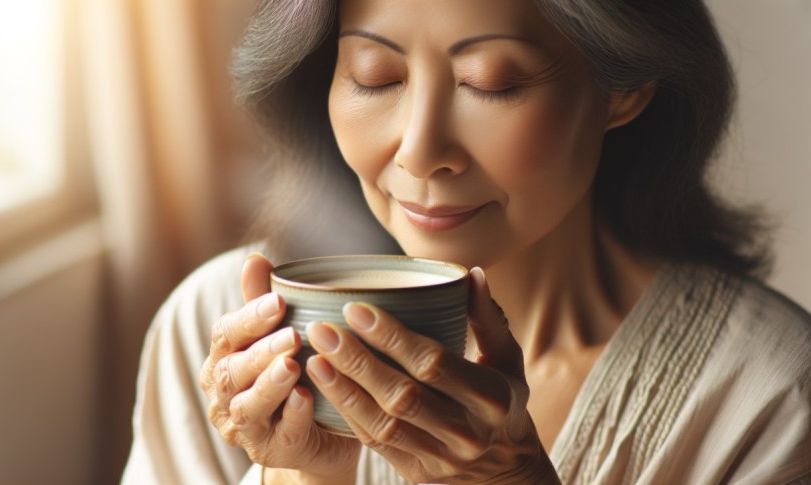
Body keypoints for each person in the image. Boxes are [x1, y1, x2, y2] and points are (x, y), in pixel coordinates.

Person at [121, 0, 811, 483]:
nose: (421, 152)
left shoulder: (767, 395)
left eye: (492, 84)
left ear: (623, 88)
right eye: (375, 77)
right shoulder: (224, 334)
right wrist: (301, 476)